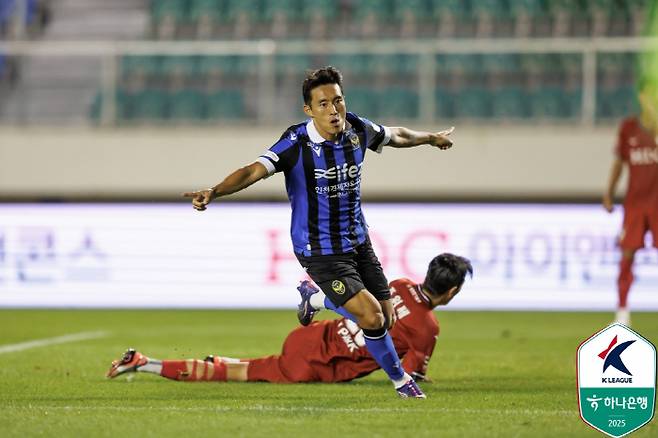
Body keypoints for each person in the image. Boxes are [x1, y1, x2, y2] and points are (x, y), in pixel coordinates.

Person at [182, 66, 455, 398]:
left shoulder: (357, 128)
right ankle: (402, 382)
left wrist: (430, 138)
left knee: (386, 318)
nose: (333, 110)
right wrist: (215, 191)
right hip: (319, 249)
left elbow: (395, 135)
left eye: (337, 100)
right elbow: (253, 171)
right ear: (309, 110)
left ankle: (315, 298)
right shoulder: (295, 143)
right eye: (323, 104)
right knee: (371, 318)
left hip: (358, 240)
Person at [106, 253, 473, 395]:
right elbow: (412, 372)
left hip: (312, 337)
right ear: (452, 291)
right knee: (238, 375)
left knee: (248, 367)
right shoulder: (428, 328)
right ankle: (145, 362)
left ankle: (314, 302)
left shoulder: (399, 285)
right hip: (313, 365)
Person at [603, 79, 658, 326]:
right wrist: (609, 193)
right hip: (635, 204)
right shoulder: (628, 128)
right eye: (648, 95)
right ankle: (622, 311)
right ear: (641, 98)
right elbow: (619, 163)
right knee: (627, 253)